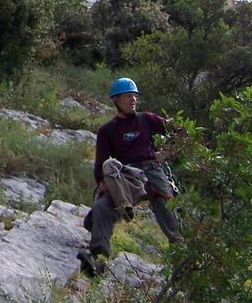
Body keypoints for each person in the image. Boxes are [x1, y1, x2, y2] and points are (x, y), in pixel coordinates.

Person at [77, 77, 182, 276]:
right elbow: (100, 164)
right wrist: (102, 184)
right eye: (128, 96)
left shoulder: (147, 119)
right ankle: (98, 258)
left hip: (151, 169)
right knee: (102, 206)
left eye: (135, 96)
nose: (133, 99)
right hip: (126, 176)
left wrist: (166, 152)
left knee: (167, 207)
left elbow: (179, 130)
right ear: (116, 100)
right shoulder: (107, 131)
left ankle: (181, 260)